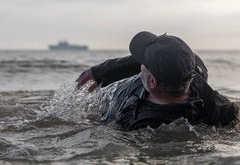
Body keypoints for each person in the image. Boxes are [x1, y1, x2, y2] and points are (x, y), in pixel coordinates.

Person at [76, 31, 239, 130]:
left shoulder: (133, 120)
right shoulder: (195, 76)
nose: (140, 64)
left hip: (114, 100)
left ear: (152, 82)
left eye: (144, 63)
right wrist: (103, 71)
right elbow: (181, 59)